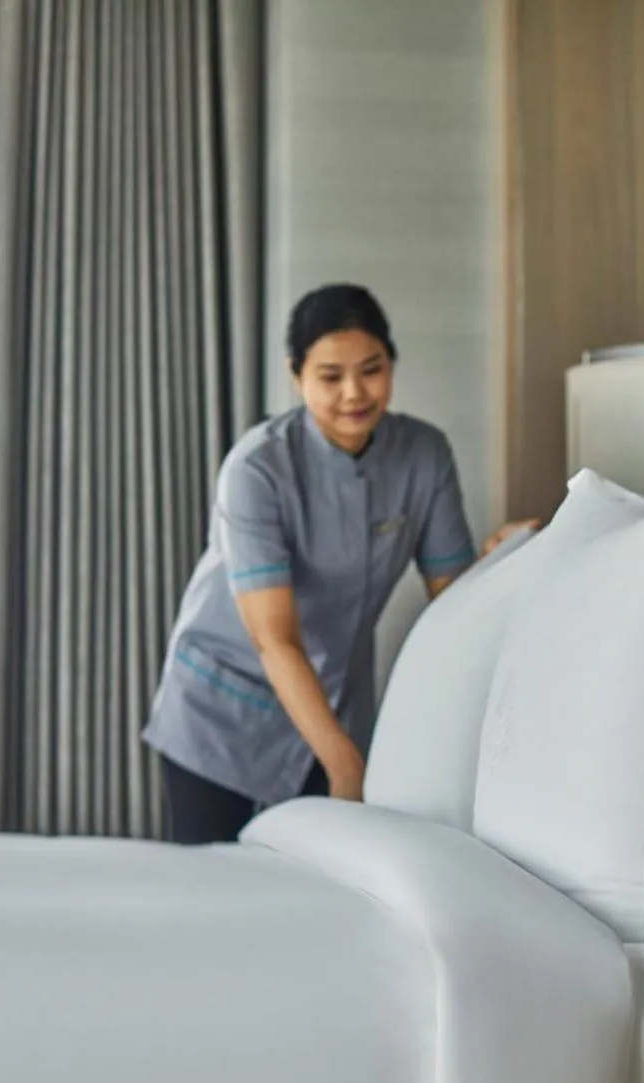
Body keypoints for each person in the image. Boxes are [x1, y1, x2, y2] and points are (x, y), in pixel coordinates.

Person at [144, 284, 534, 844]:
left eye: (372, 370)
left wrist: (502, 565)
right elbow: (274, 639)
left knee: (311, 895)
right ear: (296, 375)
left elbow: (452, 601)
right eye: (330, 377)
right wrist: (346, 765)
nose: (354, 392)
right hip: (222, 713)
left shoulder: (423, 456)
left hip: (334, 707)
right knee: (212, 895)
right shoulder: (256, 470)